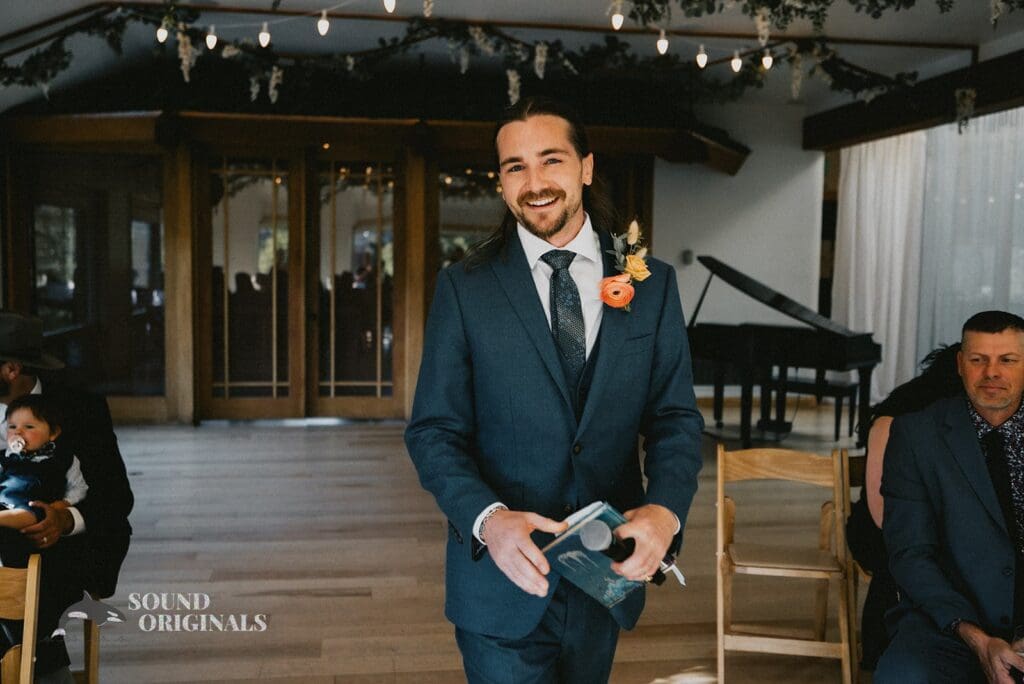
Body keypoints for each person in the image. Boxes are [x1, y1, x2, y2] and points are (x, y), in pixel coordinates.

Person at [404, 96, 703, 683]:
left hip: (602, 576)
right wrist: (488, 520)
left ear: (586, 167)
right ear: (500, 182)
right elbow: (433, 431)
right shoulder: (465, 287)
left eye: (551, 160)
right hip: (501, 582)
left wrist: (666, 512)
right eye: (515, 167)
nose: (534, 183)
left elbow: (675, 419)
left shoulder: (651, 280)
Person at [876, 310, 1024, 683]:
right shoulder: (915, 434)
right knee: (901, 677)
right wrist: (976, 637)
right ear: (960, 364)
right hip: (946, 622)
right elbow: (910, 553)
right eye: (978, 360)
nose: (992, 372)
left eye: (1007, 360)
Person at [0, 311, 133, 682]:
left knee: (29, 561)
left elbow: (116, 497)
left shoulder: (81, 411)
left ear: (11, 369)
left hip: (54, 549)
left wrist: (64, 520)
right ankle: (44, 655)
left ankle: (34, 655)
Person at [845, 342, 962, 669]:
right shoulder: (894, 420)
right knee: (910, 557)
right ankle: (890, 652)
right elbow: (882, 514)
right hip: (878, 528)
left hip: (929, 523)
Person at [0, 394, 88, 562]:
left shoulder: (63, 459)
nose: (18, 432)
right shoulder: (4, 458)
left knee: (30, 514)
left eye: (29, 427)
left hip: (33, 507)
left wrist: (64, 504)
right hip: (4, 504)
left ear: (53, 433)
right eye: (12, 426)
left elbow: (79, 487)